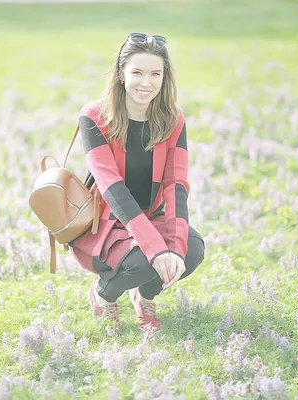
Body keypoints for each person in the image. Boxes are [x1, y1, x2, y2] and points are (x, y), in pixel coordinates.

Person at [69, 32, 205, 333]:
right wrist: (156, 248)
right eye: (138, 73)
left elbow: (176, 185)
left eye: (155, 73)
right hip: (105, 221)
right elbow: (112, 187)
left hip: (149, 216)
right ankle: (104, 294)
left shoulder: (172, 119)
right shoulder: (94, 116)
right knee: (146, 261)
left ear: (164, 77)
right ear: (121, 74)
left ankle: (144, 297)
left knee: (191, 250)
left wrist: (174, 245)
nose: (147, 83)